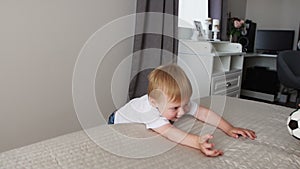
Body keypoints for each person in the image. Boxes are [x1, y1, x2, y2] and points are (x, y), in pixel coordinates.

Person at [108, 64, 256, 157]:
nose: (182, 112)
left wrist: (229, 128)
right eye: (174, 108)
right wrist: (197, 142)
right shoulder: (150, 112)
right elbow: (171, 133)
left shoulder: (178, 103)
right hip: (117, 120)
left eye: (184, 105)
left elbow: (203, 113)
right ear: (154, 102)